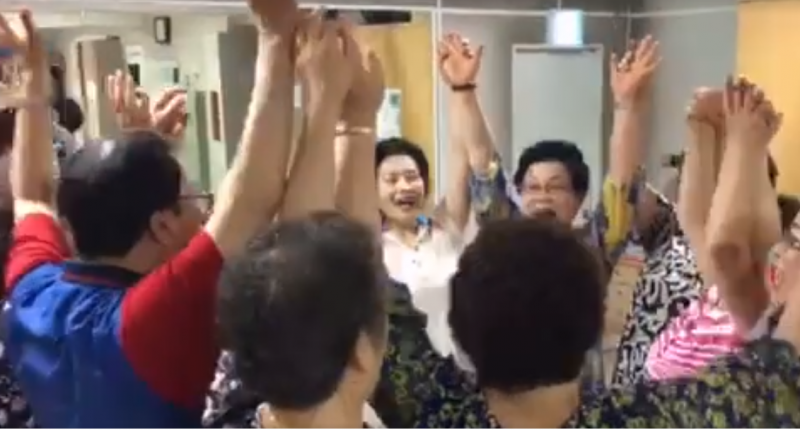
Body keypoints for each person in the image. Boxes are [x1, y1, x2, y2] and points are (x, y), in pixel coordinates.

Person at [369, 77, 800, 428]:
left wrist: (351, 121)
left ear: (461, 327)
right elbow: (776, 376)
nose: (542, 196)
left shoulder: (438, 412)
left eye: (555, 186)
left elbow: (362, 287)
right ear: (594, 315)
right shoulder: (649, 418)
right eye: (532, 187)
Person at [0, 1, 296, 425]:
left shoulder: (34, 290)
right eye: (196, 200)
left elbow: (31, 195)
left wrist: (32, 89)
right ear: (161, 224)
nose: (205, 213)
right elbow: (252, 197)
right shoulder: (149, 319)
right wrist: (275, 36)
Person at [204, 7, 387, 428]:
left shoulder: (232, 411)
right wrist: (349, 119)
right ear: (360, 354)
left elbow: (308, 270)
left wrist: (336, 113)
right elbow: (312, 262)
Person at [645, 86, 799, 380]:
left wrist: (747, 141)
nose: (788, 255)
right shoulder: (718, 298)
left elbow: (729, 248)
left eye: (796, 246)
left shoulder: (761, 315)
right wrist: (703, 128)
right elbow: (694, 219)